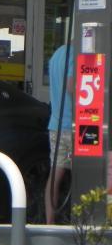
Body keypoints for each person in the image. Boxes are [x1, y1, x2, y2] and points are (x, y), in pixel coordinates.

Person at [45, 43, 74, 224]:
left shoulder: (57, 53)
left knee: (55, 175)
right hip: (74, 124)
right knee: (84, 173)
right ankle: (81, 221)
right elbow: (71, 86)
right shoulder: (75, 53)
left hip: (56, 123)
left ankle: (49, 223)